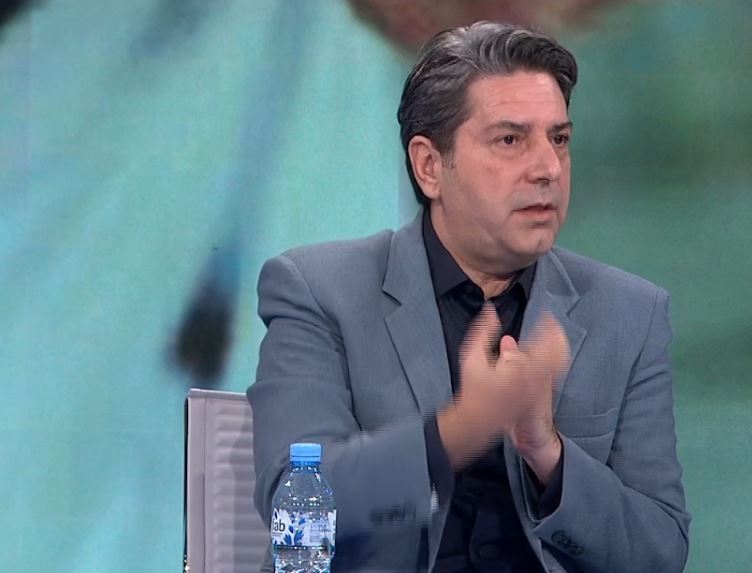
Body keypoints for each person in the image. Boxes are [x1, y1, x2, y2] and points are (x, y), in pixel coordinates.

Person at [248, 21, 691, 573]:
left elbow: (660, 551)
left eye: (559, 139)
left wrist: (547, 454)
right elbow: (296, 509)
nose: (547, 169)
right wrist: (460, 431)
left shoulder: (629, 314)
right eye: (510, 140)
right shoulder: (319, 291)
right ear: (430, 166)